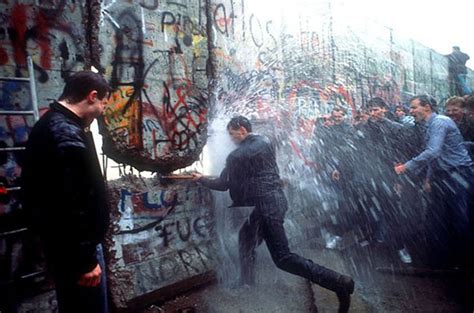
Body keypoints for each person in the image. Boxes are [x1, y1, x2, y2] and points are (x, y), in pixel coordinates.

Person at [192, 116, 355, 312]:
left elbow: (226, 180)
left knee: (283, 258)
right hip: (269, 204)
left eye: (232, 134)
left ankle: (339, 283)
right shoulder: (257, 145)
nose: (231, 139)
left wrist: (219, 166)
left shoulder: (251, 147)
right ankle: (247, 282)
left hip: (268, 206)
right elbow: (230, 179)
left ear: (242, 130)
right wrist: (205, 176)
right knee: (246, 238)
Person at [21, 71, 111, 313]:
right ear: (92, 97)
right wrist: (86, 260)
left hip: (65, 248)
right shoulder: (65, 135)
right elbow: (70, 205)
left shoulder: (56, 124)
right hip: (78, 253)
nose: (103, 110)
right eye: (104, 103)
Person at [394, 95, 474, 269]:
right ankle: (442, 261)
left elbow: (433, 151)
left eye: (414, 107)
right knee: (437, 219)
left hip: (458, 174)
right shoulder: (430, 125)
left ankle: (464, 263)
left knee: (459, 219)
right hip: (444, 176)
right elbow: (436, 156)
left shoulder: (439, 122)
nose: (411, 111)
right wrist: (429, 178)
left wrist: (406, 166)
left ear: (427, 107)